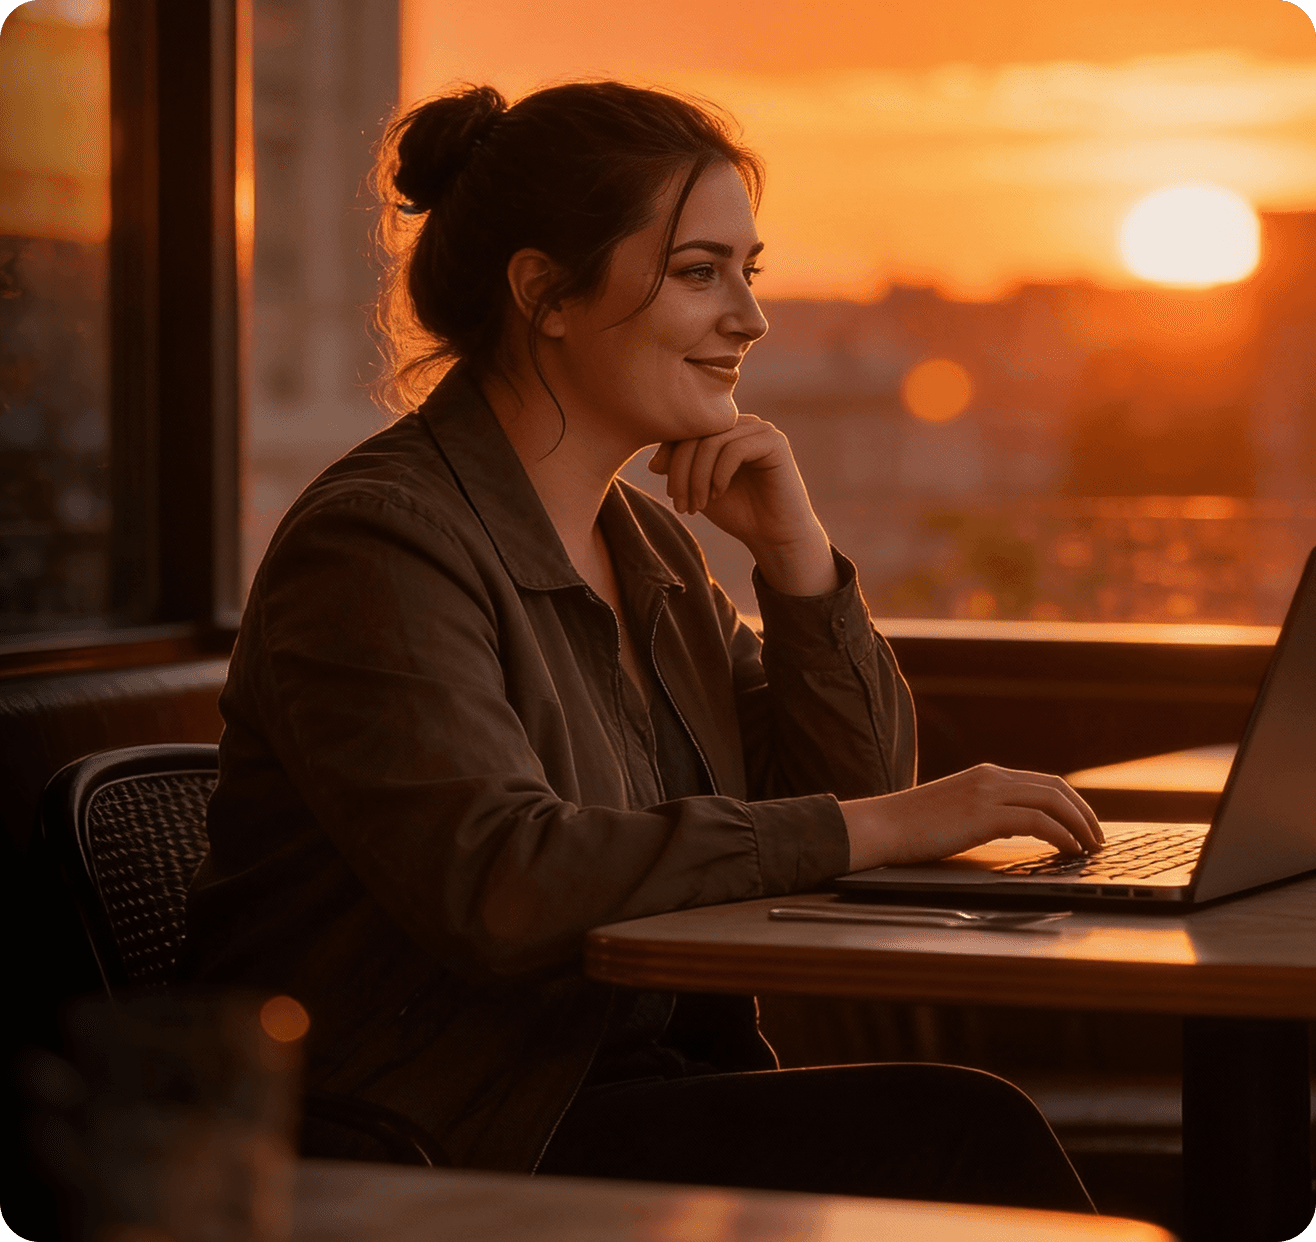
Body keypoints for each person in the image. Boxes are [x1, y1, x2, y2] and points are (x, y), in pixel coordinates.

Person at [182, 80, 1103, 1211]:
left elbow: (854, 796)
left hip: (615, 1098)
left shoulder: (651, 545)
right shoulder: (377, 543)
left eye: (747, 272)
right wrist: (884, 823)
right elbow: (502, 884)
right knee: (960, 1139)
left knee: (957, 1127)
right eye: (697, 271)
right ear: (544, 295)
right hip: (440, 1134)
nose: (749, 321)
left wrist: (799, 565)